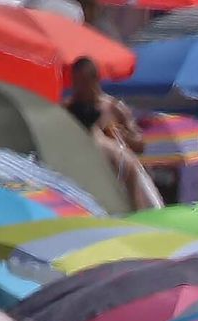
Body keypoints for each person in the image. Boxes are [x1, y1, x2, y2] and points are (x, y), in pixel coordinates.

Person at [65, 56, 163, 209]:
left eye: (83, 82)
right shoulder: (69, 109)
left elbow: (140, 144)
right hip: (85, 175)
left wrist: (122, 135)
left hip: (117, 175)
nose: (78, 88)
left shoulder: (112, 107)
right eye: (75, 82)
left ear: (95, 80)